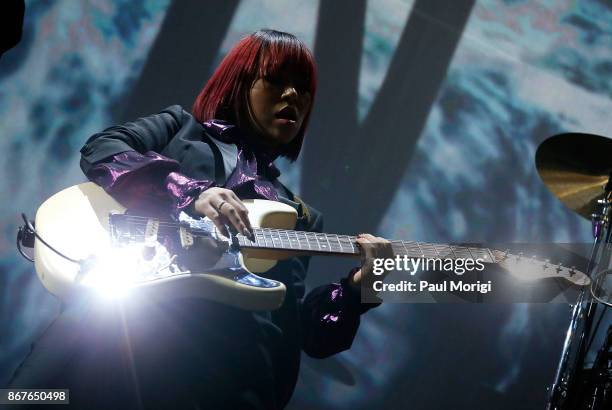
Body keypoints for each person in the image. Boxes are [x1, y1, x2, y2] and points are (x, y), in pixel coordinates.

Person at [8, 29, 389, 409]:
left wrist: (358, 292)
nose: (293, 96)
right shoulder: (179, 129)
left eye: (303, 88)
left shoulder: (299, 215)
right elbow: (103, 150)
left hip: (225, 381)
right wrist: (190, 191)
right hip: (115, 338)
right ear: (238, 84)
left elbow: (304, 334)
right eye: (275, 81)